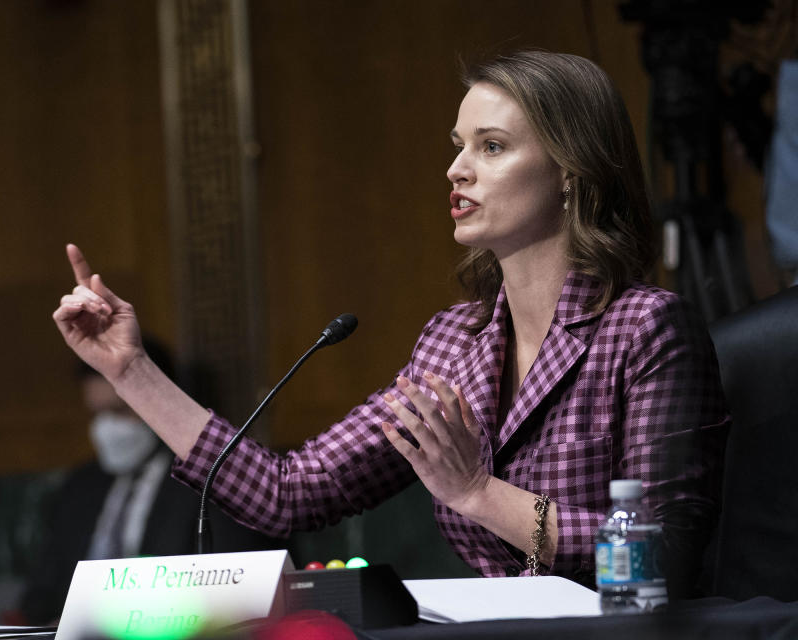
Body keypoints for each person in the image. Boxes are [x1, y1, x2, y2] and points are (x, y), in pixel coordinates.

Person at [52, 51, 729, 591]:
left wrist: (477, 493)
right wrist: (131, 371)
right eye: (458, 144)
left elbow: (661, 556)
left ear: (570, 173)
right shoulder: (453, 344)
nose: (455, 169)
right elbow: (290, 495)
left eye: (491, 147)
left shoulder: (643, 329)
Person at [17, 339, 280, 625]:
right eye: (98, 415)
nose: (107, 428)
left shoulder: (210, 480)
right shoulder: (80, 486)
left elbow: (236, 587)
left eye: (119, 412)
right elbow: (39, 593)